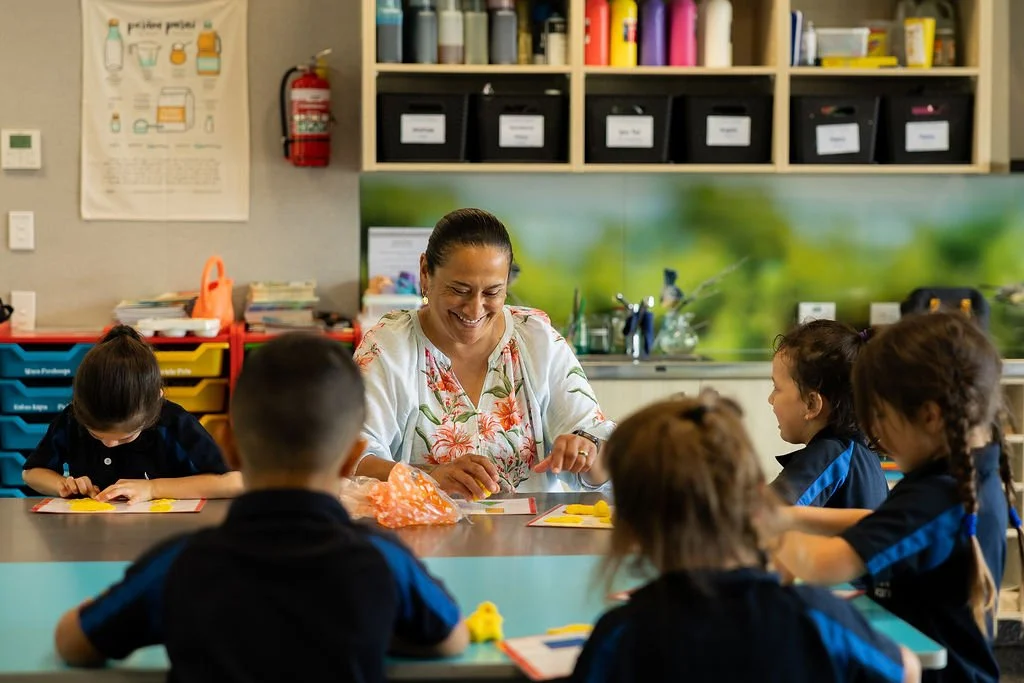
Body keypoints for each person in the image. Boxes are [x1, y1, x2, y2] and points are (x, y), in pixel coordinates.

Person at [54, 333, 469, 681]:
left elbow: (73, 643)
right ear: (351, 458)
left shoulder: (179, 564)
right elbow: (452, 639)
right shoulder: (384, 559)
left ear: (228, 445)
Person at [569, 393, 920, 683]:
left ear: (631, 527)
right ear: (754, 496)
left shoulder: (620, 635)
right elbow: (907, 671)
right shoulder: (818, 617)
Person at [773, 312, 1023, 683]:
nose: (872, 432)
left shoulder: (938, 495)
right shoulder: (967, 476)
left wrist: (763, 527)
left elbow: (823, 564)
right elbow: (878, 522)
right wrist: (791, 518)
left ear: (930, 416)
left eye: (881, 416)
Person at [354, 208, 614, 497]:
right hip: (419, 538)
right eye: (459, 290)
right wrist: (429, 477)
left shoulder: (538, 342)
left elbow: (602, 463)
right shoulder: (389, 347)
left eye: (492, 293)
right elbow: (350, 457)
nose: (475, 309)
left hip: (531, 540)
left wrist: (587, 451)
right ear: (425, 273)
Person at [22, 325, 241, 503]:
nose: (109, 444)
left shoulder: (174, 423)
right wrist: (62, 485)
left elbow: (234, 482)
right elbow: (32, 472)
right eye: (96, 435)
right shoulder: (72, 419)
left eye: (125, 437)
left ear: (156, 401)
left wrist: (154, 488)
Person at [768, 320, 888, 509]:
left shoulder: (830, 454)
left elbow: (764, 515)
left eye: (776, 388)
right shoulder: (862, 455)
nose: (770, 399)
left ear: (812, 404)